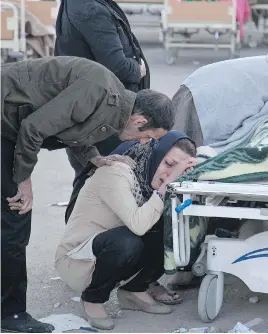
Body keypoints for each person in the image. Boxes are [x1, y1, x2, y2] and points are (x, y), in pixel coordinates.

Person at [1, 56, 174, 333]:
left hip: (13, 123)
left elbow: (71, 131)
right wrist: (22, 179)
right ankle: (10, 314)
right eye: (148, 137)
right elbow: (33, 128)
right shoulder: (98, 91)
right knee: (15, 215)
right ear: (139, 120)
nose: (144, 144)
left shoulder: (114, 105)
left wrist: (94, 157)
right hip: (6, 119)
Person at [55, 131, 197, 330]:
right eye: (168, 164)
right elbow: (138, 224)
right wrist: (167, 185)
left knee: (170, 228)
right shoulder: (116, 172)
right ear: (154, 155)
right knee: (127, 240)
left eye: (178, 170)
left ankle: (134, 290)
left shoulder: (148, 180)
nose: (169, 174)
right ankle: (93, 299)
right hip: (78, 261)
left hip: (111, 253)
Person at [55, 0, 150, 181]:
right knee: (103, 182)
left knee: (92, 183)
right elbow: (118, 66)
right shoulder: (90, 9)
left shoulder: (80, 4)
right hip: (104, 115)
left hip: (93, 111)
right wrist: (137, 70)